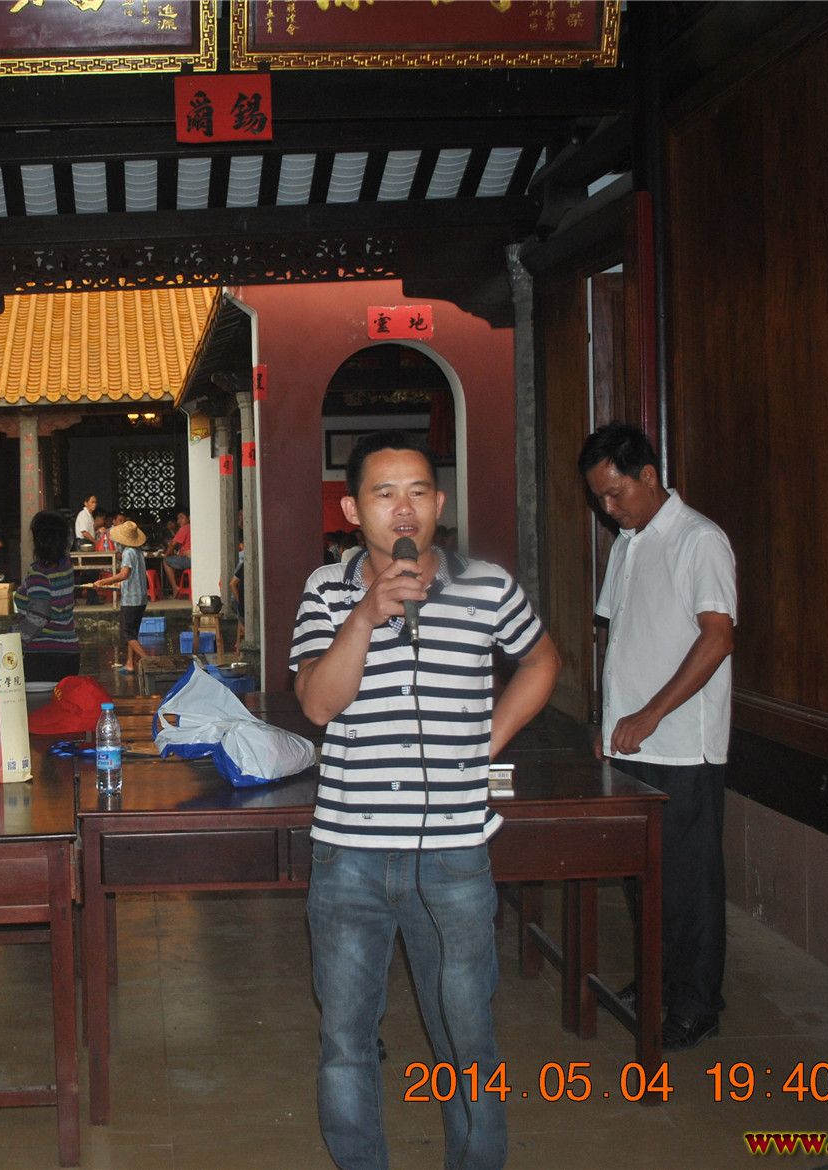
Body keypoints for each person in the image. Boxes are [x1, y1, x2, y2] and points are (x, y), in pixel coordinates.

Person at [290, 430, 560, 1170]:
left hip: (453, 854)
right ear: (352, 509)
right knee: (346, 1041)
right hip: (348, 853)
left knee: (467, 1040)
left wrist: (484, 741)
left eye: (417, 492)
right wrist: (364, 616)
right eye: (383, 494)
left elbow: (541, 659)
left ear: (439, 504)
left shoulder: (488, 586)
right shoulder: (326, 589)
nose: (403, 509)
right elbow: (317, 704)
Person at [578, 422, 736, 1053]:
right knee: (646, 876)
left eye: (615, 494)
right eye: (599, 498)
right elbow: (615, 638)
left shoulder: (700, 540)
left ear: (649, 475)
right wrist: (608, 717)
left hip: (682, 746)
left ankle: (697, 1004)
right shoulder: (627, 543)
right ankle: (659, 980)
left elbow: (718, 639)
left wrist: (649, 714)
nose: (608, 508)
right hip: (630, 743)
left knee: (689, 883)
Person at [14, 510, 80, 683]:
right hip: (69, 652)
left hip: (43, 655)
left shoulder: (39, 574)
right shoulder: (66, 565)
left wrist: (13, 639)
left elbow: (38, 616)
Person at [93, 519, 152, 675]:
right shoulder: (138, 552)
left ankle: (149, 661)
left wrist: (104, 581)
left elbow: (124, 574)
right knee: (133, 633)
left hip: (131, 599)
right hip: (141, 598)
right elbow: (133, 576)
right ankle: (130, 663)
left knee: (127, 634)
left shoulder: (128, 553)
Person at [162, 510, 193, 595]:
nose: (179, 521)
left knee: (166, 561)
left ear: (189, 518)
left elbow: (172, 544)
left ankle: (175, 587)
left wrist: (166, 555)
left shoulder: (185, 528)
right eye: (178, 519)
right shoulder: (193, 527)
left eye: (182, 517)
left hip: (190, 560)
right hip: (193, 559)